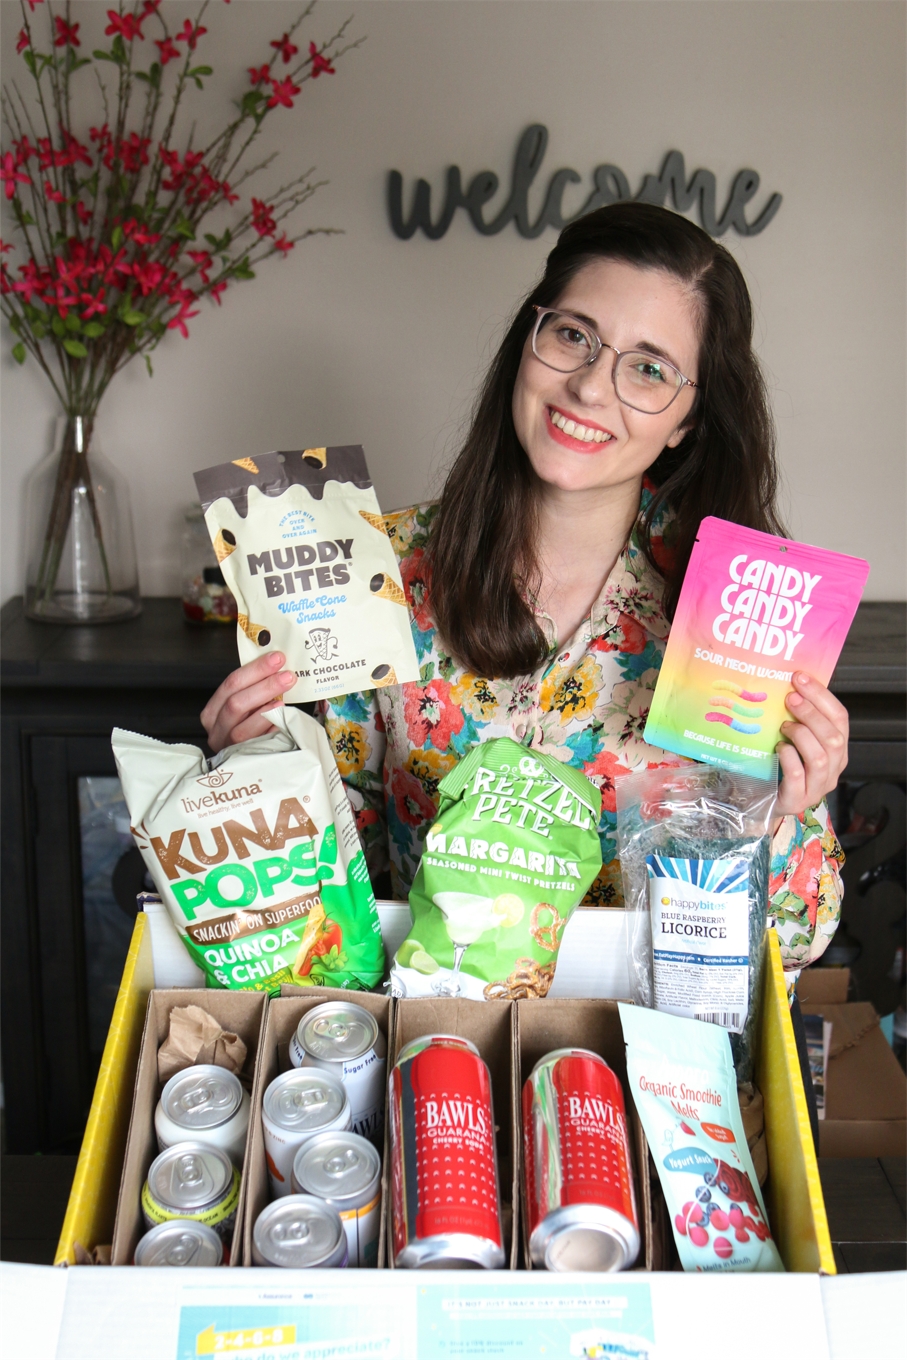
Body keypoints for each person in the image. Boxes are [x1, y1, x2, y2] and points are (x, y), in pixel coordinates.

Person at [201, 202, 848, 980]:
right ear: (527, 342)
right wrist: (255, 787)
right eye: (572, 335)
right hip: (430, 1043)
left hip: (635, 1055)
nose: (588, 388)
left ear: (685, 420)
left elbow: (795, 941)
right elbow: (330, 909)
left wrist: (781, 808)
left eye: (648, 368)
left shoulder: (735, 614)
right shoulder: (377, 571)